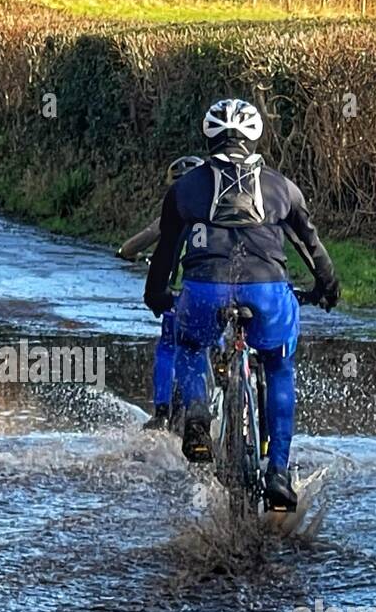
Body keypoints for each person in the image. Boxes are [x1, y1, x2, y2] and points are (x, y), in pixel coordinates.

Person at [143, 98, 340, 512]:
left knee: (192, 345)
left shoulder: (184, 188)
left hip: (204, 288)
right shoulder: (281, 186)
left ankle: (197, 418)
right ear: (255, 137)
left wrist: (157, 294)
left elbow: (165, 252)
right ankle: (279, 474)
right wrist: (328, 287)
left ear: (208, 136)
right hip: (268, 291)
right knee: (278, 364)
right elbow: (310, 243)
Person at [117, 155, 204, 431]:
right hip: (216, 288)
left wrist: (124, 252)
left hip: (180, 294)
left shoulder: (173, 211)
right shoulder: (217, 209)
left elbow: (141, 240)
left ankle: (162, 411)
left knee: (168, 346)